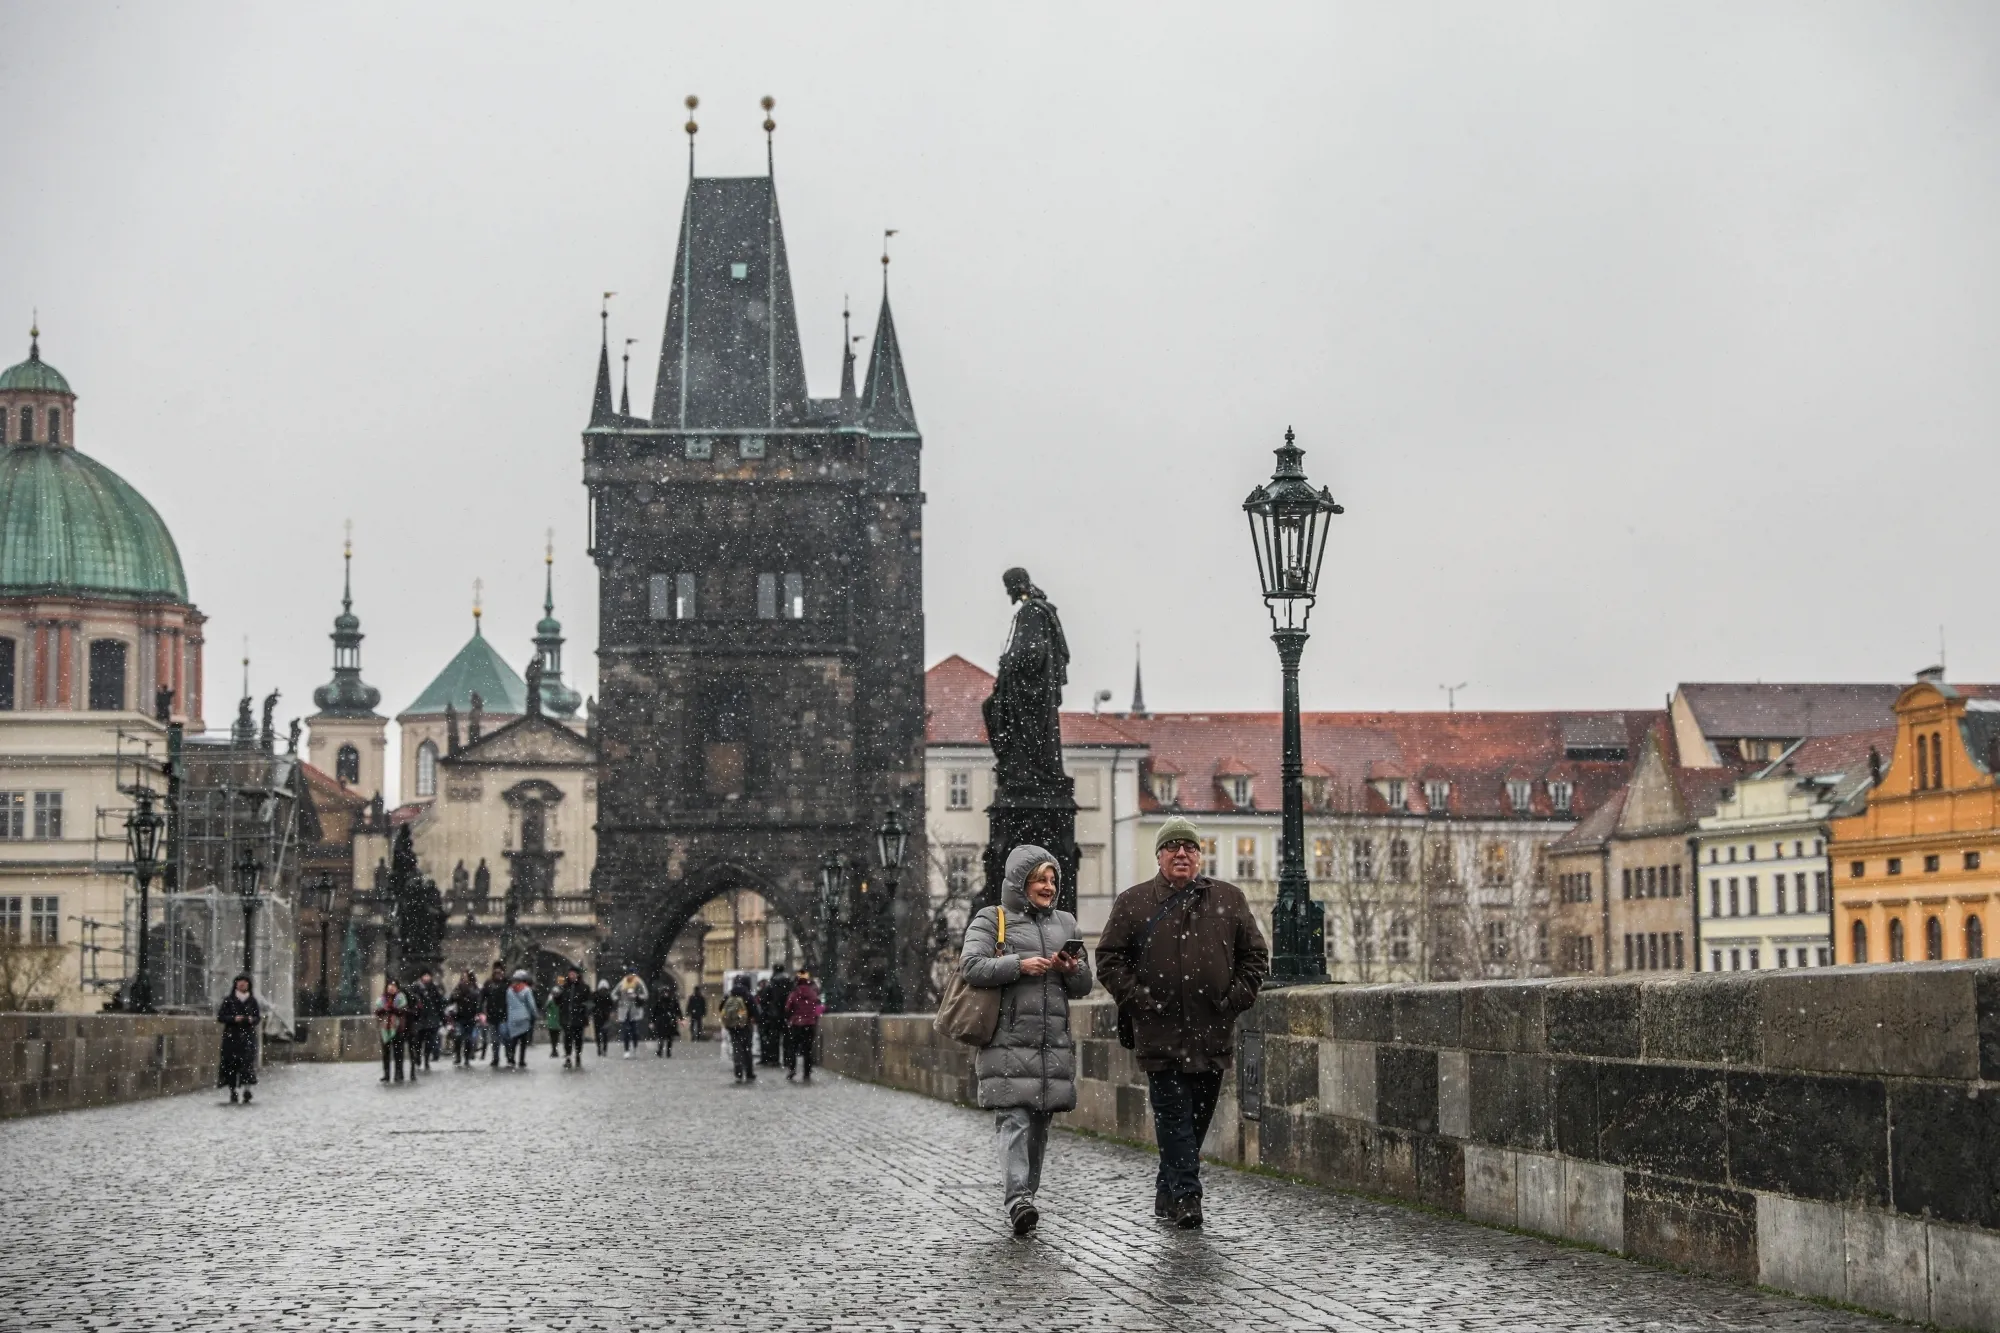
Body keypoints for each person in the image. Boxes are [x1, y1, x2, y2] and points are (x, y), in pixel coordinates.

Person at [1097, 816, 1269, 1230]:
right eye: (1172, 846)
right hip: (1159, 1032)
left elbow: (1255, 958)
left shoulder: (1229, 898)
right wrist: (1141, 1000)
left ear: (1199, 855)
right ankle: (1189, 1197)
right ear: (1159, 855)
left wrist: (1232, 1001)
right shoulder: (1134, 902)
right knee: (1174, 1116)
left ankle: (1168, 1189)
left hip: (1213, 1031)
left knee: (1196, 1119)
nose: (1181, 853)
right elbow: (1108, 959)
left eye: (1189, 847)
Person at [960, 845, 1093, 1236]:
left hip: (1051, 1044)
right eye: (1040, 880)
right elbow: (971, 966)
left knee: (1038, 1127)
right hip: (1008, 1041)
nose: (1048, 887)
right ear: (1021, 883)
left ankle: (1025, 1198)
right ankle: (1018, 1199)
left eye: (1052, 880)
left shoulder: (1066, 923)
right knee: (1014, 1119)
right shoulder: (992, 918)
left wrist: (1072, 968)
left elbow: (1084, 985)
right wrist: (1018, 965)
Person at [215, 973, 261, 1104]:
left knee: (247, 1064)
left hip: (248, 1037)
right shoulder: (229, 1000)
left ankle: (247, 1089)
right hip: (231, 1037)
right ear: (236, 984)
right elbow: (221, 1017)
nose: (242, 984)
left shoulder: (252, 1001)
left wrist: (251, 1019)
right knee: (230, 1065)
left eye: (245, 982)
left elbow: (258, 1017)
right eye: (240, 981)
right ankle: (233, 1091)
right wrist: (234, 1019)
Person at [784, 970, 823, 1083]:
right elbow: (818, 1007)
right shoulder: (812, 993)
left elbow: (787, 1008)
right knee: (807, 1050)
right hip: (809, 1024)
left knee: (793, 1048)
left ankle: (792, 1069)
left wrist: (790, 1017)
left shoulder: (794, 993)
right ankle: (807, 1072)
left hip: (796, 1024)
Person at [720, 976, 757, 1083]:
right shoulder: (748, 995)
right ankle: (749, 1072)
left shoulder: (729, 995)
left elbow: (721, 1008)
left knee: (737, 1049)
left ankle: (738, 1073)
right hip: (746, 1026)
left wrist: (730, 1019)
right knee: (747, 1049)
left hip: (732, 1027)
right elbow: (755, 1011)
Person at [759, 964, 794, 1068]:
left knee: (774, 1038)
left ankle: (774, 1060)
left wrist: (768, 1009)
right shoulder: (790, 982)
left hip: (774, 1015)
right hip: (787, 1014)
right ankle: (787, 1060)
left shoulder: (772, 982)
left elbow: (764, 999)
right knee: (787, 1039)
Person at [376, 979, 411, 1083]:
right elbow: (377, 1011)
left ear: (397, 988)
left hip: (398, 1028)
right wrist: (384, 1010)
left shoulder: (401, 998)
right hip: (385, 1028)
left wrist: (394, 1009)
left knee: (398, 1053)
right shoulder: (382, 998)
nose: (391, 988)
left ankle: (398, 1074)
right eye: (390, 986)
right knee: (386, 1053)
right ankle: (386, 1074)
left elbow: (403, 1010)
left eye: (394, 986)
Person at [411, 969, 446, 1073]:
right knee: (418, 1041)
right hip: (419, 1018)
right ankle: (418, 1057)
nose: (426, 978)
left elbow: (439, 1004)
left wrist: (442, 1018)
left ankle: (426, 1060)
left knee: (430, 1042)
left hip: (432, 1019)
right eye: (424, 976)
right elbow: (412, 1001)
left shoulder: (434, 988)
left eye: (428, 976)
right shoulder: (415, 987)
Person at [556, 968, 592, 1070]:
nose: (571, 976)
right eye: (570, 974)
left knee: (578, 1039)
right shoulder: (564, 987)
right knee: (567, 1038)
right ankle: (568, 1057)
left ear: (577, 975)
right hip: (566, 1018)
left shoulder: (584, 987)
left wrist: (585, 1011)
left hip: (579, 1018)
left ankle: (578, 1056)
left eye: (573, 974)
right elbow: (558, 1002)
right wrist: (556, 995)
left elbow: (589, 1002)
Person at [502, 970, 538, 1069]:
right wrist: (534, 1014)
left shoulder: (509, 990)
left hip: (512, 1018)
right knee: (523, 1041)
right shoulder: (526, 990)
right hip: (524, 1018)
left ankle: (511, 1060)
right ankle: (521, 1061)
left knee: (513, 1040)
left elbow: (507, 1004)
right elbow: (531, 1005)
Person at [479, 963, 510, 1069]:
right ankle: (495, 1058)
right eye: (496, 971)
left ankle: (509, 1055)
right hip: (492, 1016)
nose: (498, 974)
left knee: (505, 1035)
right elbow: (482, 997)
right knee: (494, 1039)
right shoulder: (488, 984)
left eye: (499, 972)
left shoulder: (506, 983)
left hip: (504, 1015)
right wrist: (480, 1011)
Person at [613, 971, 649, 1057]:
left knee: (634, 1031)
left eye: (632, 974)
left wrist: (637, 996)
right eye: (629, 974)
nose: (630, 976)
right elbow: (613, 994)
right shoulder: (622, 983)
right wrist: (618, 1000)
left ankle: (635, 1047)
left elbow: (646, 995)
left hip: (635, 1010)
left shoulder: (639, 983)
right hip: (624, 1010)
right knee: (625, 1031)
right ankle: (626, 1050)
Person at [450, 970, 481, 1066]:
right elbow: (452, 998)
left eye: (465, 977)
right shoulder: (458, 987)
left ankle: (466, 1057)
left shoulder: (474, 988)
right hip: (459, 1016)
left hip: (470, 1017)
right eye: (463, 977)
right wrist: (458, 994)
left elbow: (477, 1000)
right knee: (458, 1037)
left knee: (468, 1039)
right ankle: (458, 1056)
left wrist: (477, 1013)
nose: (464, 979)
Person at [653, 982, 682, 1058]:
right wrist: (652, 1021)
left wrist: (681, 1018)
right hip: (661, 1022)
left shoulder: (673, 1001)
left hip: (670, 1021)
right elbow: (654, 1012)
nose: (666, 994)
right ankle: (660, 1050)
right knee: (661, 1038)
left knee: (670, 1038)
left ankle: (668, 1051)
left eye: (667, 992)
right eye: (664, 992)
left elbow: (678, 1010)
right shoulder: (659, 1002)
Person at [592, 979, 616, 1057]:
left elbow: (611, 1005)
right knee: (602, 1034)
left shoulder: (603, 995)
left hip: (602, 1017)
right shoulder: (603, 995)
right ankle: (602, 1049)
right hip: (601, 1016)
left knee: (602, 1034)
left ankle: (602, 1049)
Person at [544, 984, 563, 1059]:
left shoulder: (552, 1001)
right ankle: (554, 1050)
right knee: (555, 1038)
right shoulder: (557, 1001)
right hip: (555, 1022)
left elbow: (545, 1007)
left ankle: (554, 1050)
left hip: (553, 1022)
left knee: (553, 1038)